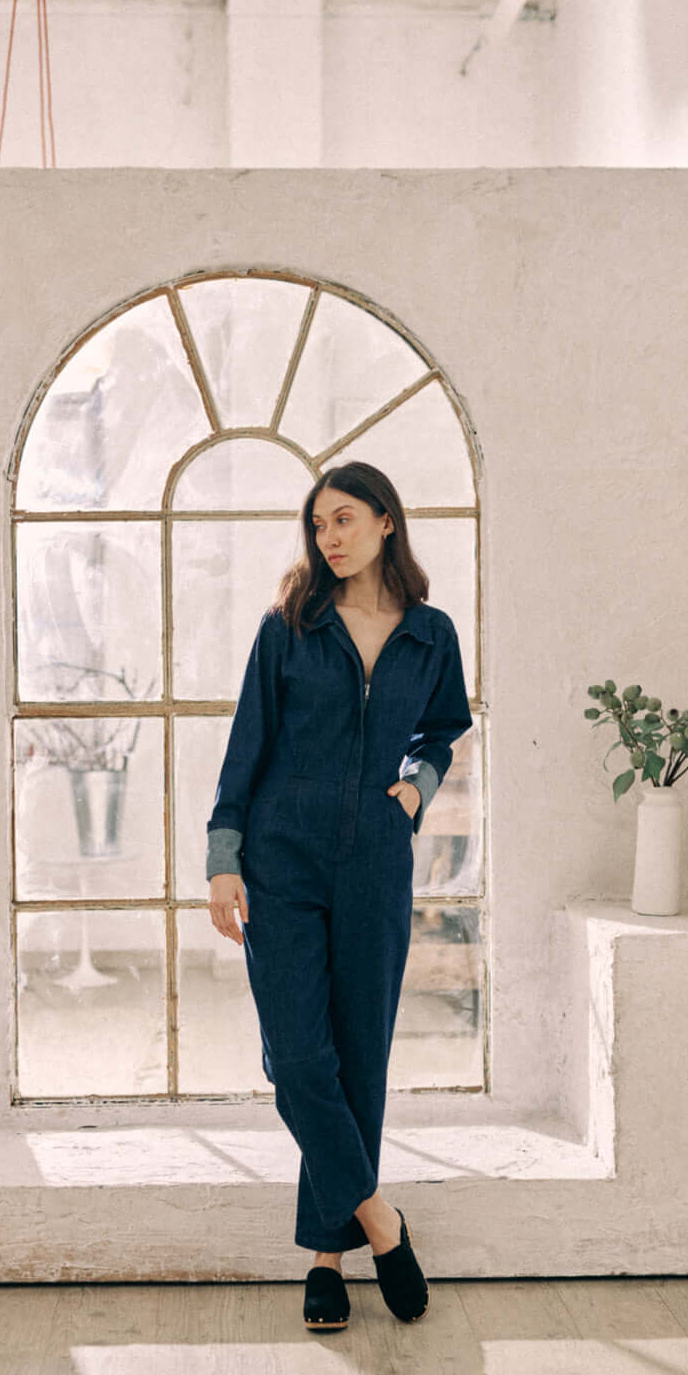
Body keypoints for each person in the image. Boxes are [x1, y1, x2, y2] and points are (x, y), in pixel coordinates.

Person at [205, 460, 473, 1330]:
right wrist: (223, 856)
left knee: (359, 1055)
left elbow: (445, 727)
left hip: (374, 863)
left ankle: (326, 1259)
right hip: (282, 859)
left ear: (387, 522)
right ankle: (380, 1223)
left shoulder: (430, 633)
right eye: (319, 523)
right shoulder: (289, 626)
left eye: (346, 518)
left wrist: (416, 791)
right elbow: (248, 745)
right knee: (296, 1059)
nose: (331, 536)